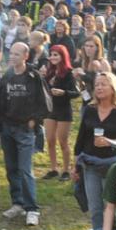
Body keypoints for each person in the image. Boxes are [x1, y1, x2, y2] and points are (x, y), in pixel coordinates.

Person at [73, 73, 116, 230]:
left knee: (111, 206)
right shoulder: (89, 110)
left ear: (113, 88)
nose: (99, 88)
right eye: (97, 85)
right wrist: (76, 166)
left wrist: (110, 142)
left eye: (103, 84)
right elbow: (80, 138)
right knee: (95, 207)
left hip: (113, 165)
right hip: (90, 164)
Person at [0, 43, 51, 227]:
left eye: (16, 54)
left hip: (25, 130)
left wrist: (35, 120)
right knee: (11, 168)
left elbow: (46, 103)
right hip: (8, 128)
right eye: (11, 53)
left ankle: (32, 209)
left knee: (25, 170)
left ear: (25, 56)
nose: (12, 57)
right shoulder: (7, 76)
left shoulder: (34, 76)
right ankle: (18, 203)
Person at [42, 45, 79, 181]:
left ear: (63, 56)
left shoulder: (69, 73)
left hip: (63, 110)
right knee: (50, 140)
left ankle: (66, 170)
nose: (52, 57)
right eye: (51, 54)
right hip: (50, 109)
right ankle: (53, 169)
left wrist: (63, 93)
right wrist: (42, 77)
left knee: (63, 141)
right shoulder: (49, 72)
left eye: (56, 55)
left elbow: (76, 93)